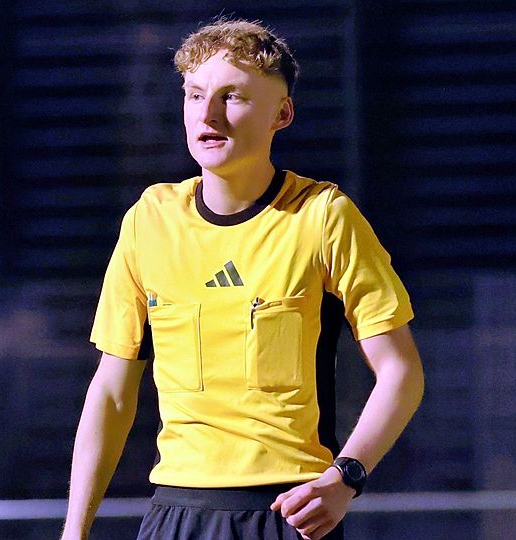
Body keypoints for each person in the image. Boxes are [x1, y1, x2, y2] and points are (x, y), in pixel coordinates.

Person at [62, 18, 424, 540]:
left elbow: (401, 371)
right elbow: (112, 393)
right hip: (176, 514)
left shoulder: (323, 216)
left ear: (283, 114)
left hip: (287, 514)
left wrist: (345, 477)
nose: (207, 114)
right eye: (194, 95)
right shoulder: (148, 220)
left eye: (232, 97)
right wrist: (74, 531)